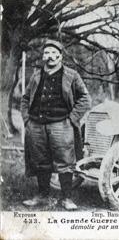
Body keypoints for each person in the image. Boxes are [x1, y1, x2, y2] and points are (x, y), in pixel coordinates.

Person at [21, 39, 91, 210]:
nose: (50, 56)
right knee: (40, 161)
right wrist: (26, 119)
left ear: (60, 56)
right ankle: (42, 196)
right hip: (36, 125)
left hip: (61, 125)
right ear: (43, 56)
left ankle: (67, 198)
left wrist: (72, 118)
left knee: (65, 162)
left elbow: (85, 99)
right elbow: (25, 98)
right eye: (46, 53)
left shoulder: (71, 75)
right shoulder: (37, 75)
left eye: (54, 53)